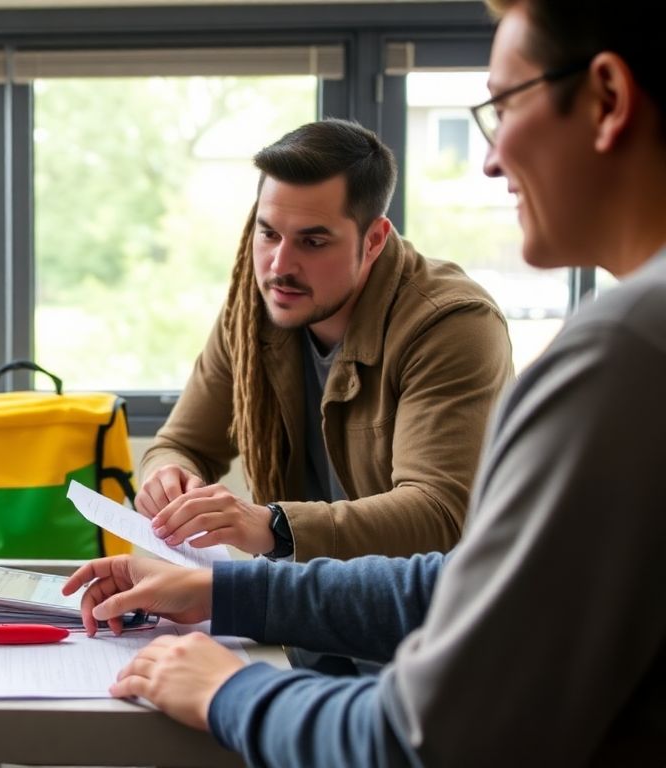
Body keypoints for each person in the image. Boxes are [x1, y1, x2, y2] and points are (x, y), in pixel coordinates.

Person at [65, 0, 666, 762]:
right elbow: (448, 584)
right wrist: (219, 585)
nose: (488, 158)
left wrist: (229, 686)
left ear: (608, 100)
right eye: (268, 235)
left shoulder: (617, 350)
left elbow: (431, 727)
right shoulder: (256, 313)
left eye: (503, 105)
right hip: (319, 645)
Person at [137, 119, 513, 562]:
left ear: (374, 240)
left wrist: (273, 525)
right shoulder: (254, 311)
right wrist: (168, 475)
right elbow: (182, 445)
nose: (280, 265)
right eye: (269, 233)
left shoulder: (452, 323)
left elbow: (439, 515)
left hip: (433, 616)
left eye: (312, 242)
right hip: (302, 607)